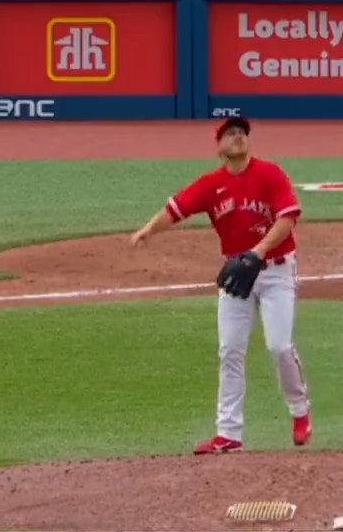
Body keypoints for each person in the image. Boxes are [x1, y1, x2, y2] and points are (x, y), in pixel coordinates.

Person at [128, 116, 312, 455]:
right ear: (219, 147)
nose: (238, 136)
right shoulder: (211, 185)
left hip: (275, 272)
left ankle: (300, 412)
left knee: (280, 347)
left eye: (242, 132)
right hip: (237, 274)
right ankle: (228, 434)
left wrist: (258, 252)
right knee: (230, 350)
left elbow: (287, 218)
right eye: (230, 133)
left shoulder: (270, 173)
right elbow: (176, 209)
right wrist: (148, 230)